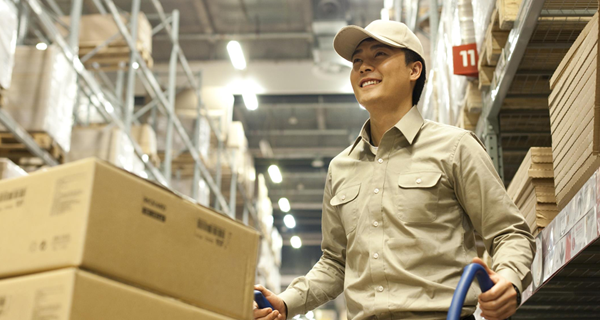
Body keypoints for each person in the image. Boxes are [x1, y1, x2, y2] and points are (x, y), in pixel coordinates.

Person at [253, 20, 535, 320]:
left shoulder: (455, 148)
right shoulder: (341, 169)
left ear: (414, 70)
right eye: (357, 61)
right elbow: (336, 262)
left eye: (379, 55)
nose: (364, 67)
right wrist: (287, 302)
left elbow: (510, 232)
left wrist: (509, 279)